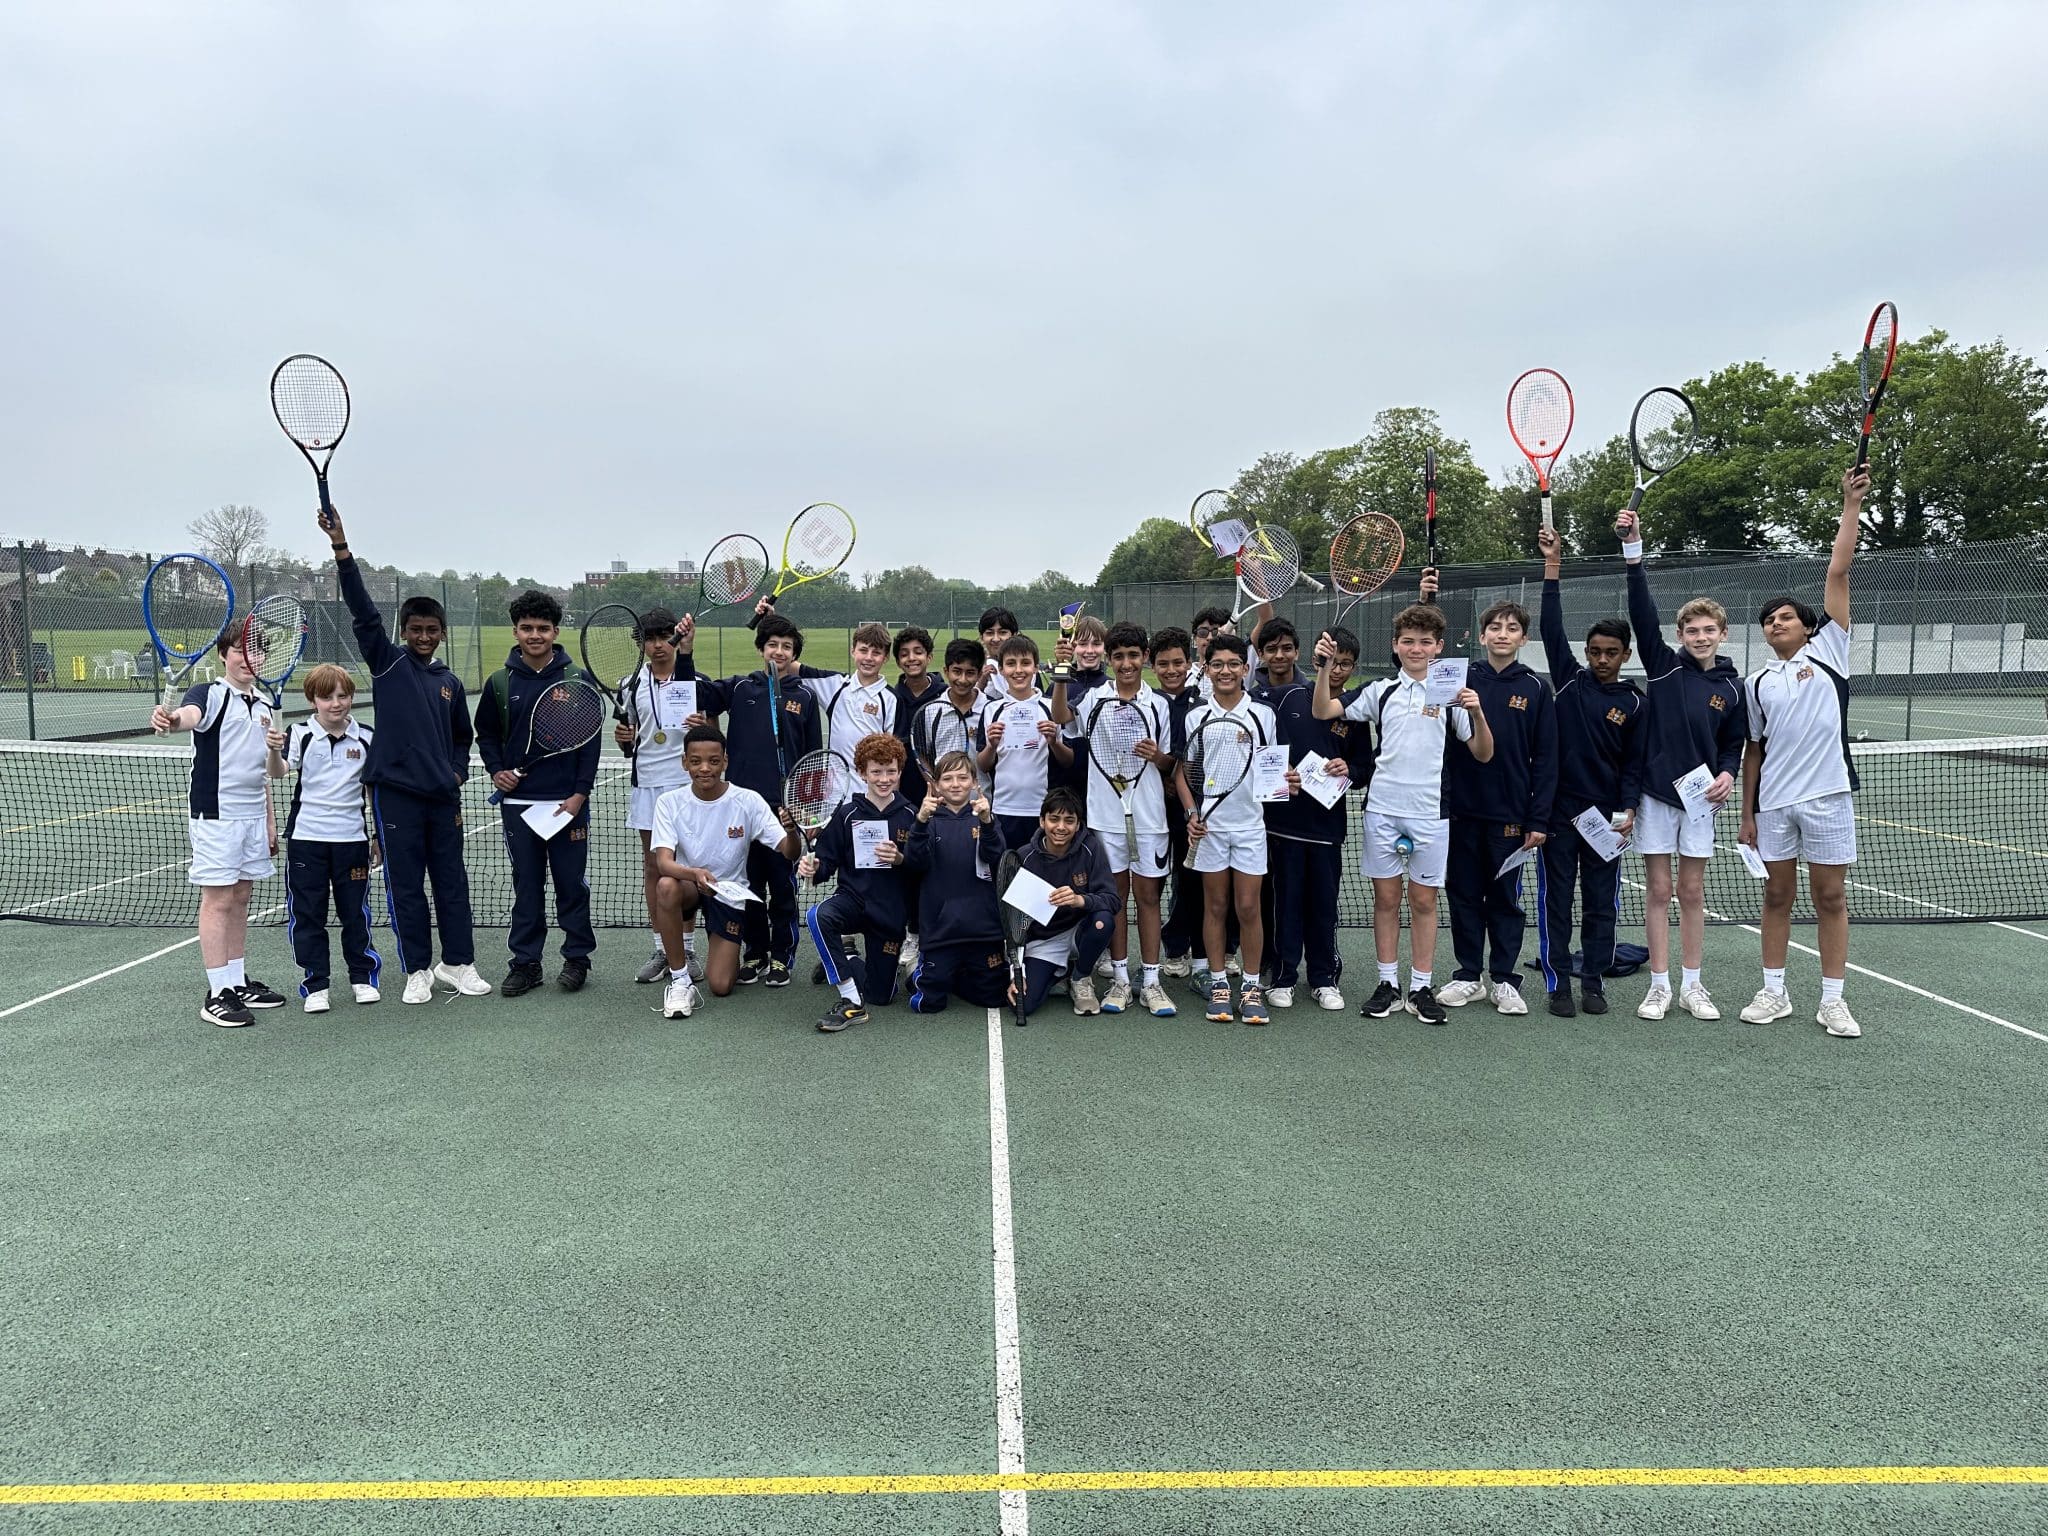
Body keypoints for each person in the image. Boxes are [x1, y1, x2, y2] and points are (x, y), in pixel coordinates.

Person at [322, 509, 490, 1005]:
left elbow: (462, 737)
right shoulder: (388, 662)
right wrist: (341, 548)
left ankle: (457, 963)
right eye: (415, 629)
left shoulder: (449, 682)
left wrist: (456, 773)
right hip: (396, 797)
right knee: (406, 887)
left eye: (431, 629)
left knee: (452, 885)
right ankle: (417, 969)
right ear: (404, 630)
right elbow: (362, 612)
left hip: (442, 798)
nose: (423, 636)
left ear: (442, 632)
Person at [1312, 605, 1493, 1025]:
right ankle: (1388, 984)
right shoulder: (1381, 690)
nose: (1416, 648)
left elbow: (1484, 753)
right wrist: (1322, 668)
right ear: (1395, 646)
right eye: (1408, 641)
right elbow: (1323, 710)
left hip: (1431, 814)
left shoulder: (1452, 694)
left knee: (1424, 901)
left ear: (1439, 647)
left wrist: (1477, 712)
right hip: (1383, 810)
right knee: (1387, 900)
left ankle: (1420, 987)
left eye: (1425, 642)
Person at [1739, 465, 1870, 1038]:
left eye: (1785, 617)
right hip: (1773, 805)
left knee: (1831, 896)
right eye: (1768, 621)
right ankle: (1774, 992)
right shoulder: (1756, 682)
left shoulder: (1831, 652)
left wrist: (1850, 505)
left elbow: (1838, 569)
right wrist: (1747, 813)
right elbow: (1754, 751)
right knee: (1776, 895)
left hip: (1828, 796)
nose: (1775, 624)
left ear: (1808, 626)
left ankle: (1832, 1000)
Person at [1618, 508, 1749, 1021]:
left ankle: (1694, 985)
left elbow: (1732, 743)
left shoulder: (1733, 687)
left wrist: (1728, 773)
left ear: (1722, 634)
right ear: (1680, 634)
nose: (1700, 636)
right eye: (1691, 630)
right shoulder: (1663, 667)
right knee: (1658, 890)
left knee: (1691, 890)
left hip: (1701, 800)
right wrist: (1634, 552)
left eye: (1708, 629)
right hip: (1655, 794)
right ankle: (1659, 986)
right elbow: (1641, 612)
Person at [1536, 527, 1647, 1017]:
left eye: (1611, 652)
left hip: (1606, 822)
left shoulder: (1636, 703)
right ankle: (1558, 984)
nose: (1602, 659)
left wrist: (1627, 810)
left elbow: (1633, 765)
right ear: (1586, 652)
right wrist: (1552, 566)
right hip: (1559, 816)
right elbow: (1549, 628)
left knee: (1602, 904)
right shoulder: (1568, 681)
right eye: (1595, 651)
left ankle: (1594, 982)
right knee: (1556, 902)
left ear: (1626, 655)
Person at [152, 628, 287, 1027]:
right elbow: (186, 718)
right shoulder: (209, 694)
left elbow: (263, 772)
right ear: (224, 655)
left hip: (252, 815)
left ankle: (236, 981)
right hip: (216, 815)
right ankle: (217, 992)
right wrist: (170, 718)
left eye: (256, 651)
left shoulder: (264, 704)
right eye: (239, 650)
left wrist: (269, 820)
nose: (248, 658)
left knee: (242, 896)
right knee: (219, 900)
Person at [684, 609, 822, 986]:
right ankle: (756, 951)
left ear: (794, 654)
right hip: (741, 810)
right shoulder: (741, 688)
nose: (779, 651)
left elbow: (813, 759)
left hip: (782, 812)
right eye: (772, 644)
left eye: (787, 647)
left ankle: (781, 957)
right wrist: (687, 651)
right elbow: (693, 693)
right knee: (748, 886)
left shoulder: (804, 697)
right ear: (761, 649)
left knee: (782, 889)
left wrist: (808, 810)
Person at [1433, 600, 1557, 1017]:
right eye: (1496, 627)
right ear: (1481, 635)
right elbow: (1418, 658)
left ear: (1523, 638)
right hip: (1461, 811)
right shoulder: (1459, 679)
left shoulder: (1536, 687)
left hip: (1510, 815)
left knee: (1505, 899)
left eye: (1512, 628)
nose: (1503, 634)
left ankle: (1503, 978)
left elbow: (1546, 758)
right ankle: (1469, 975)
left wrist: (1538, 818)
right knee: (1463, 895)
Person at [475, 589, 601, 995]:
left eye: (543, 628)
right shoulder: (500, 682)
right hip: (519, 806)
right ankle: (526, 964)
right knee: (526, 887)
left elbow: (590, 742)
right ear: (515, 631)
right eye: (526, 628)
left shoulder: (576, 680)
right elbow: (486, 735)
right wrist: (496, 771)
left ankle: (576, 959)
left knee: (571, 886)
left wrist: (580, 794)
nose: (535, 635)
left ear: (555, 632)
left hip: (567, 805)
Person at [1052, 621, 1176, 1016]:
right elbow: (1060, 715)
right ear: (1109, 659)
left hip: (1150, 819)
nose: (1126, 663)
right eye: (1118, 656)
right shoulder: (1093, 698)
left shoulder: (1159, 704)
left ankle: (1152, 982)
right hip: (1106, 819)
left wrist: (1157, 757)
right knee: (1115, 898)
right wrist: (1060, 671)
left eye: (1133, 656)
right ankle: (1121, 979)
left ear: (1145, 658)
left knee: (1149, 898)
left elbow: (1170, 763)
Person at [648, 725, 802, 1018]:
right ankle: (680, 979)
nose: (705, 768)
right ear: (685, 762)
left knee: (720, 985)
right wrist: (695, 874)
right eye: (696, 761)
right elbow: (664, 863)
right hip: (690, 886)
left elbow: (790, 851)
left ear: (725, 762)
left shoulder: (748, 800)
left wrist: (792, 831)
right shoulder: (669, 802)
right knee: (666, 885)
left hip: (729, 893)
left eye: (713, 761)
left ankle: (719, 944)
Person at [1178, 633, 1281, 1025]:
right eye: (1217, 664)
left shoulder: (1263, 715)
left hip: (1251, 827)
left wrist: (1284, 782)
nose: (1225, 671)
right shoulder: (1196, 717)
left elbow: (1272, 768)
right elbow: (1184, 773)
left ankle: (1251, 986)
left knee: (1249, 907)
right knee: (1216, 906)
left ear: (1245, 668)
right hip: (1211, 831)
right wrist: (1192, 813)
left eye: (1233, 664)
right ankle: (1219, 983)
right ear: (1207, 669)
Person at [265, 664, 380, 1014]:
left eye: (342, 696)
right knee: (308, 914)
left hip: (352, 841)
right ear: (312, 700)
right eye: (327, 697)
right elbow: (277, 773)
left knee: (355, 913)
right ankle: (316, 985)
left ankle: (362, 977)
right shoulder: (300, 734)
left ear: (352, 698)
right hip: (307, 840)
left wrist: (377, 835)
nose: (336, 704)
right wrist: (273, 750)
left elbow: (373, 790)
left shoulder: (367, 737)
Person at [1266, 623, 1364, 1011]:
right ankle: (1284, 977)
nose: (1337, 670)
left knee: (1323, 908)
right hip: (1284, 827)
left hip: (1327, 831)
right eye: (1331, 661)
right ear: (1317, 659)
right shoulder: (1286, 697)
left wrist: (1349, 769)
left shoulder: (1356, 710)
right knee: (1286, 905)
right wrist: (1281, 774)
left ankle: (1324, 979)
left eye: (1345, 664)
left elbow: (1365, 767)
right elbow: (1264, 751)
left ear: (1353, 668)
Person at [610, 608, 705, 986]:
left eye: (665, 637)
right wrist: (624, 740)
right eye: (649, 639)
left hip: (686, 787)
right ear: (641, 644)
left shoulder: (695, 680)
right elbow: (629, 744)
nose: (658, 645)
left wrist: (703, 726)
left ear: (676, 639)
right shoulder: (629, 685)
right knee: (653, 868)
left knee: (687, 867)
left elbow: (713, 740)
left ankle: (688, 948)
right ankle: (662, 949)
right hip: (647, 785)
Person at [803, 732, 919, 1032]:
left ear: (900, 771)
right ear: (862, 773)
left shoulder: (912, 816)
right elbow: (825, 865)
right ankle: (850, 999)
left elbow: (922, 867)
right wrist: (812, 868)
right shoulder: (846, 815)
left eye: (891, 771)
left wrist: (900, 859)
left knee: (882, 996)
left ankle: (846, 956)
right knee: (818, 915)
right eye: (876, 772)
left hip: (890, 913)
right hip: (852, 901)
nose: (884, 779)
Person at [903, 750, 1009, 1013]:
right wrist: (920, 821)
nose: (955, 784)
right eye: (948, 778)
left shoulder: (985, 817)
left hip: (983, 931)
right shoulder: (928, 820)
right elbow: (914, 862)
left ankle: (956, 977)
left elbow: (997, 857)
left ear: (974, 782)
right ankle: (922, 972)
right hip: (942, 932)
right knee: (928, 1004)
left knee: (995, 996)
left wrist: (987, 822)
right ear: (937, 785)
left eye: (962, 778)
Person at [1006, 788, 1121, 1016]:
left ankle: (1080, 977)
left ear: (1078, 825)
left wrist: (1080, 900)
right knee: (1021, 1004)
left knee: (1102, 922)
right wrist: (1016, 973)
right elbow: (1014, 923)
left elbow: (1113, 901)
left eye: (1069, 821)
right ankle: (1060, 973)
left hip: (1080, 932)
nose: (1061, 827)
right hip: (1044, 942)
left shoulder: (1091, 848)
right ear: (1042, 821)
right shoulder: (1024, 857)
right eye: (1054, 819)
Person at [976, 634, 1070, 851]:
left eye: (1025, 663)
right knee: (1006, 866)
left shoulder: (1051, 707)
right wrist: (991, 746)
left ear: (1036, 667)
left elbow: (1067, 762)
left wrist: (1054, 742)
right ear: (1001, 670)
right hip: (1003, 809)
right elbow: (983, 765)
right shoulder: (992, 709)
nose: (1018, 670)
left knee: (1040, 867)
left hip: (1043, 810)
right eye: (1011, 664)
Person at [1149, 626, 1206, 979]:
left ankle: (1183, 949)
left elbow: (1194, 763)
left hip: (1189, 811)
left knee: (1190, 882)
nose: (1171, 670)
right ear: (1152, 665)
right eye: (1163, 663)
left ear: (1188, 662)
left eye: (1178, 662)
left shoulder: (1201, 707)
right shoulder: (1146, 703)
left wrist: (1170, 769)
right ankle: (1154, 958)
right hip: (1152, 811)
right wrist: (1164, 771)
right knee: (1151, 884)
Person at [890, 624, 941, 984]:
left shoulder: (943, 694)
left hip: (939, 795)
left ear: (929, 656)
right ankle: (911, 933)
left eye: (918, 652)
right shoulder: (892, 697)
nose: (912, 658)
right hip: (903, 798)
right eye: (905, 654)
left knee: (938, 867)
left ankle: (934, 933)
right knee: (907, 866)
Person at [977, 606, 1020, 703]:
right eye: (989, 633)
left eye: (1002, 632)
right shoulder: (971, 671)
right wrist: (981, 684)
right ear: (981, 637)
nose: (996, 639)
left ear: (1014, 635)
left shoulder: (1027, 672)